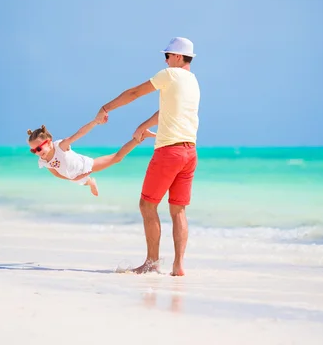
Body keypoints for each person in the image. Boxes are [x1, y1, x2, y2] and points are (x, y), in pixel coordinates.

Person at [95, 37, 200, 276]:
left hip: (169, 151)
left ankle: (152, 263)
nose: (165, 60)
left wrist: (106, 108)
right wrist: (144, 124)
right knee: (178, 210)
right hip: (189, 152)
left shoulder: (169, 75)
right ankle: (178, 266)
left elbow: (134, 93)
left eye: (167, 56)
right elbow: (168, 110)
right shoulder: (193, 82)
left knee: (147, 205)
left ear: (176, 56)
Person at [27, 120, 155, 196]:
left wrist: (95, 122)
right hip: (73, 176)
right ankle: (91, 182)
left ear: (49, 142)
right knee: (84, 182)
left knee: (117, 158)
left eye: (38, 148)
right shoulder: (44, 161)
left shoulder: (61, 146)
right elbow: (56, 174)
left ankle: (141, 136)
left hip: (85, 166)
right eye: (33, 151)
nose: (37, 153)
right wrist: (73, 178)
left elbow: (80, 133)